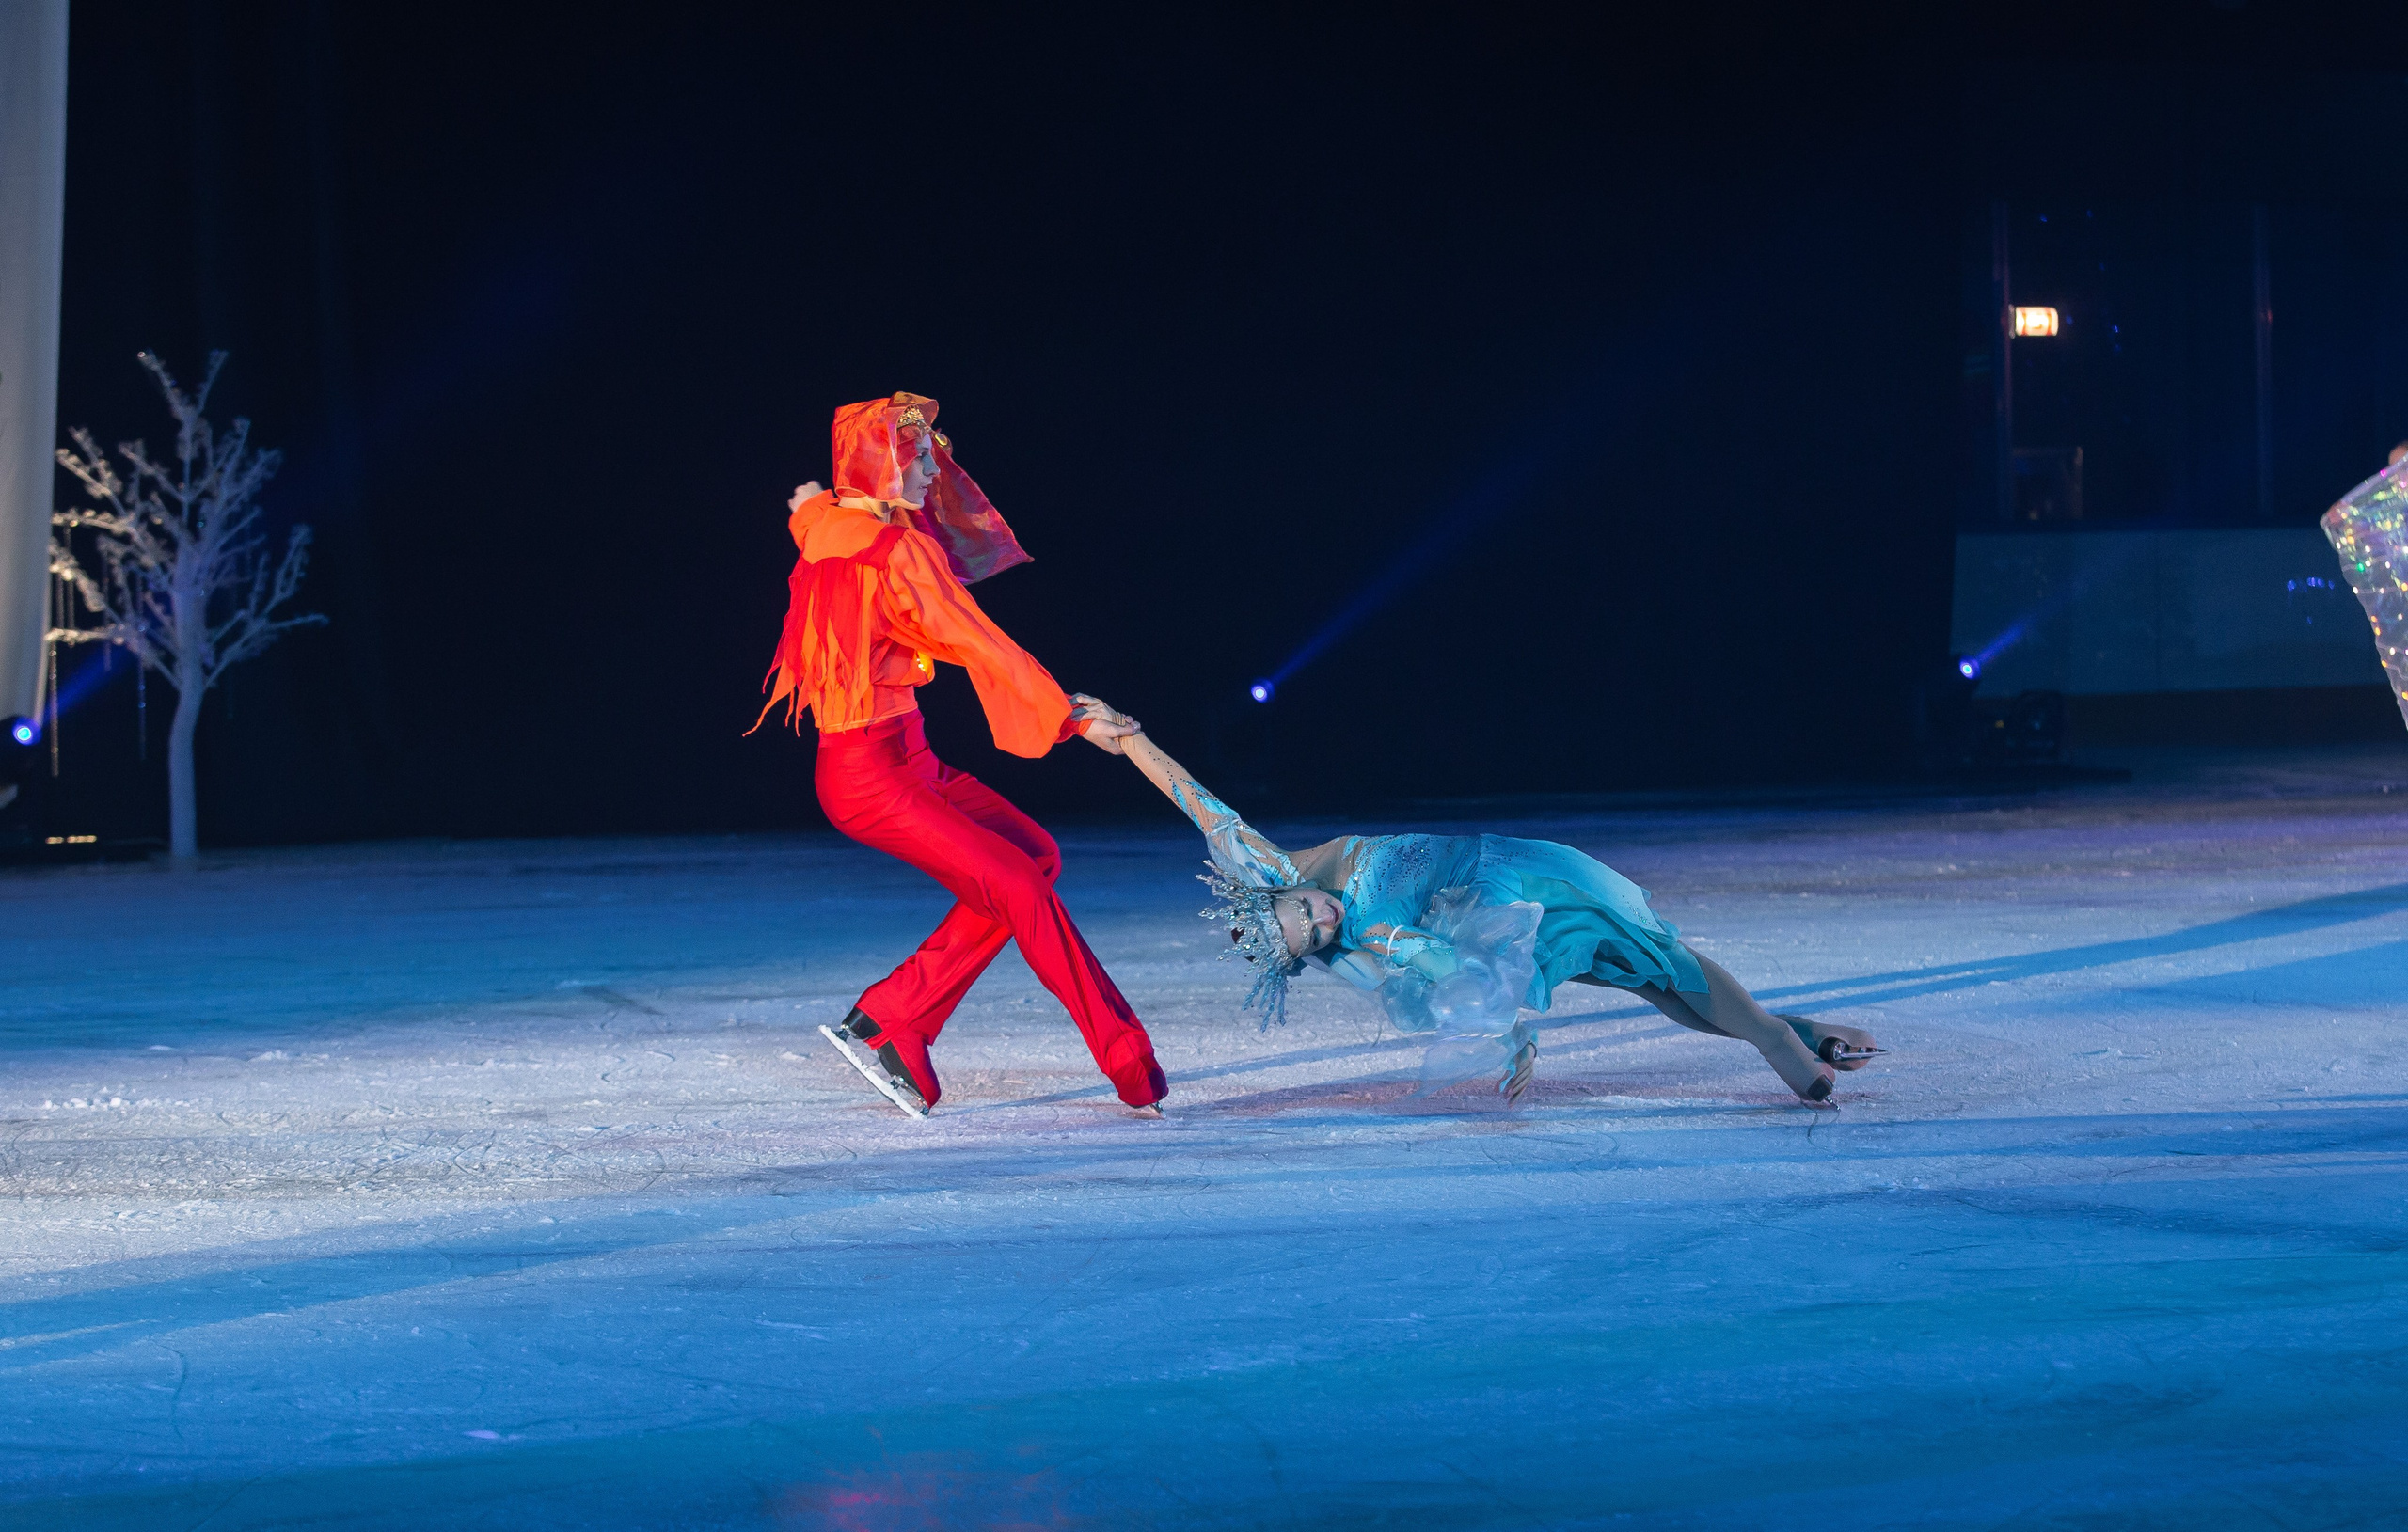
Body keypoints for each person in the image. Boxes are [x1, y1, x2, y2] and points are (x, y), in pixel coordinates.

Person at [1080, 706, 1881, 1106]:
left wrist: (1124, 739)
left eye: (1307, 913)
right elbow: (1437, 998)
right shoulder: (1347, 954)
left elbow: (1199, 803)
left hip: (1511, 873)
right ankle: (1797, 1032)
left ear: (1280, 890)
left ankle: (1782, 1037)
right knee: (1646, 977)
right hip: (1496, 931)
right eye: (1311, 937)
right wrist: (1503, 1041)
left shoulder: (1273, 864)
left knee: (1658, 951)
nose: (1321, 920)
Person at [755, 393, 1165, 1118]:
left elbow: (817, 522)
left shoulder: (833, 525)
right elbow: (982, 643)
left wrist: (807, 504)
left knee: (1033, 857)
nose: (930, 475)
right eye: (916, 461)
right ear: (876, 465)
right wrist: (1070, 718)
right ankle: (1126, 1056)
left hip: (905, 758)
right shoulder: (897, 549)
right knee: (1020, 887)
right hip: (869, 776)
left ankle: (894, 1011)